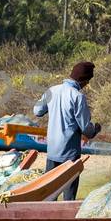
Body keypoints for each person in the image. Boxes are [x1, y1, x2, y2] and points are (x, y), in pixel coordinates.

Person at [33, 60, 101, 201]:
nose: (87, 85)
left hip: (52, 150)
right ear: (83, 80)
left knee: (49, 192)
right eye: (87, 81)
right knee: (68, 196)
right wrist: (95, 129)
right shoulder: (77, 96)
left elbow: (37, 111)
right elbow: (86, 129)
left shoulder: (52, 90)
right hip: (69, 155)